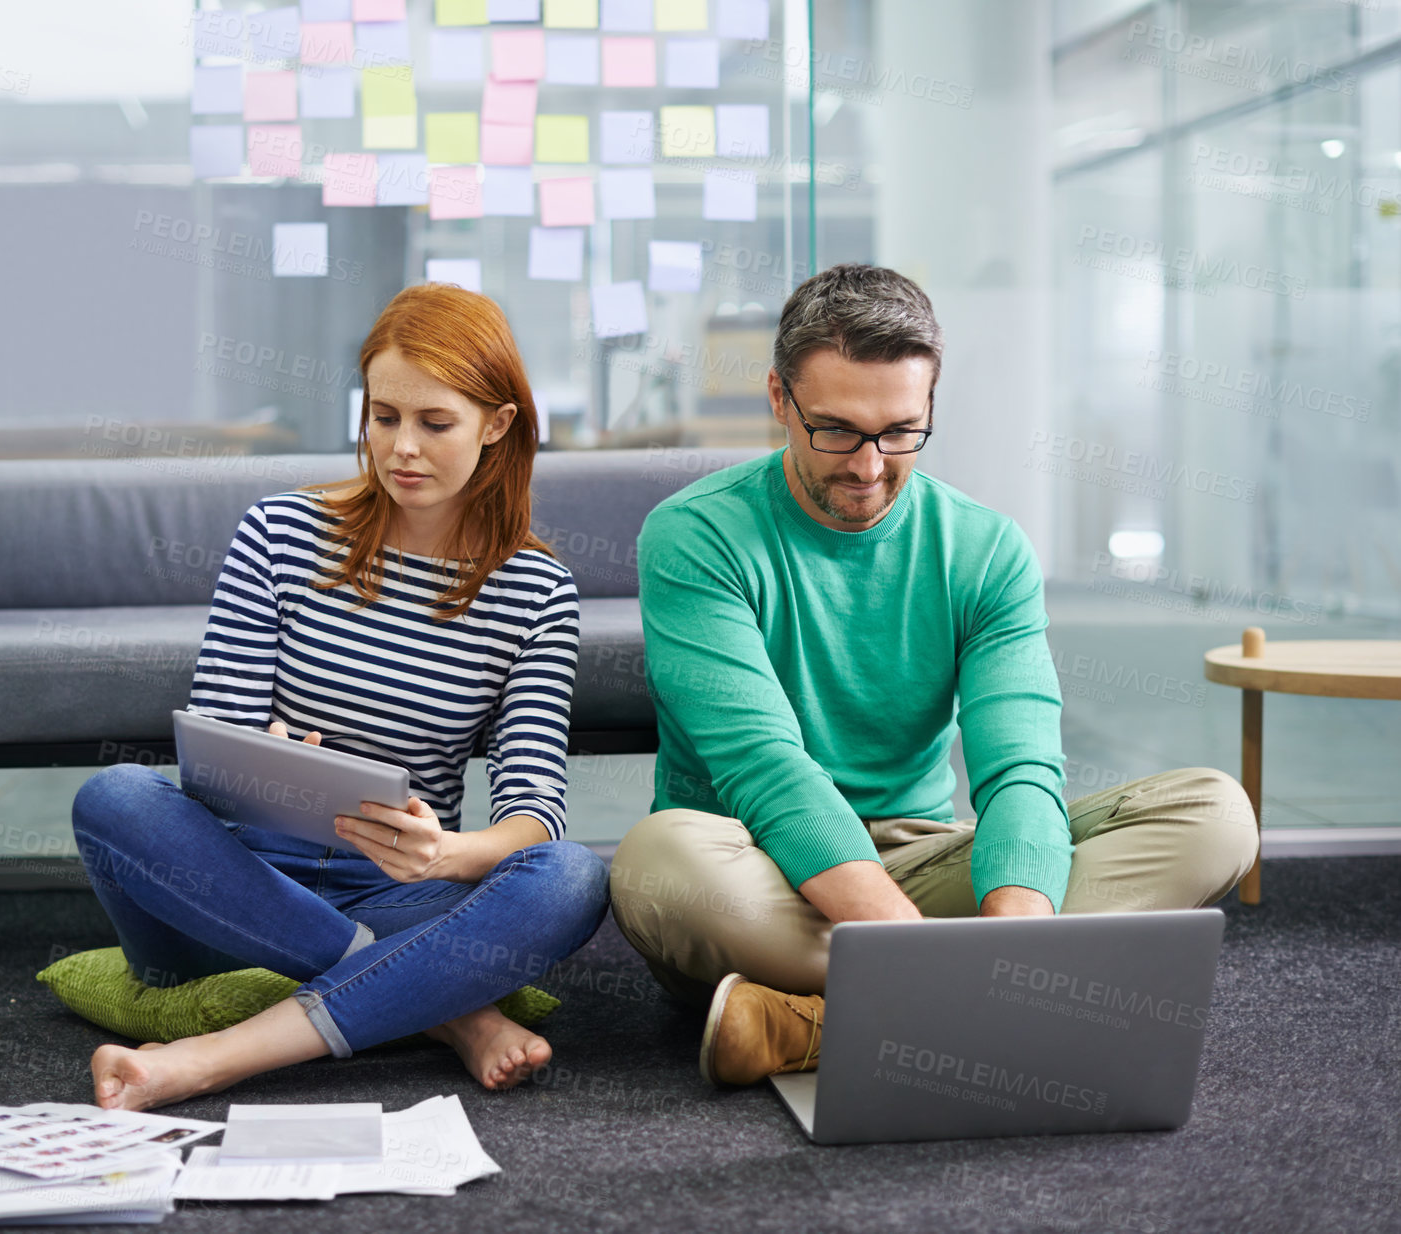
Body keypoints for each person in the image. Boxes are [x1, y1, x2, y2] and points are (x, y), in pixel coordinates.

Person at [610, 263, 1258, 1088]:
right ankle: (996, 1006)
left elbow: (1019, 770)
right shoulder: (695, 536)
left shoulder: (984, 549)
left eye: (900, 431)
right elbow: (759, 766)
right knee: (655, 863)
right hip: (751, 873)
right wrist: (924, 953)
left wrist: (1012, 929)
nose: (870, 466)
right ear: (778, 399)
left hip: (921, 863)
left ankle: (815, 1020)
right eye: (835, 429)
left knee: (1213, 813)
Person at [71, 283, 609, 1112]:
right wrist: (271, 765)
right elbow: (214, 743)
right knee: (114, 797)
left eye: (435, 423)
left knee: (569, 878)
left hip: (399, 887)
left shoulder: (536, 590)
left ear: (496, 424)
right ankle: (448, 1010)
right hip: (232, 882)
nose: (401, 448)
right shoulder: (279, 533)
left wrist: (444, 855)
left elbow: (533, 806)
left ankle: (208, 1059)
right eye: (383, 416)